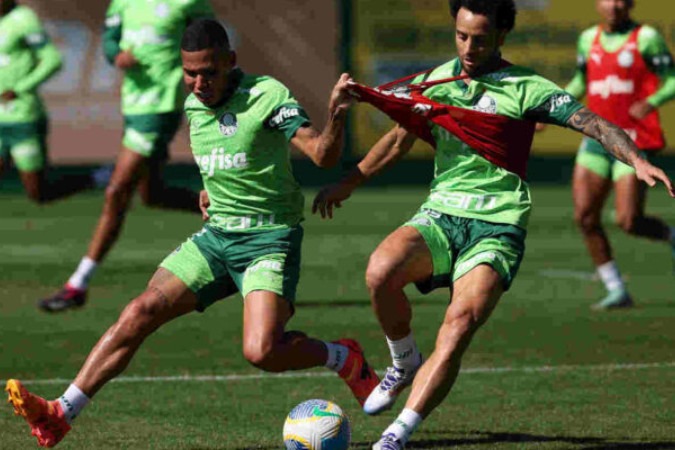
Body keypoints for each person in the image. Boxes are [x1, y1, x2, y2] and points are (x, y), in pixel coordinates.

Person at [312, 1, 674, 449]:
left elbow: (596, 125)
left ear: (502, 36)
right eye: (462, 36)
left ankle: (396, 434)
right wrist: (349, 183)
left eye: (480, 39)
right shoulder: (436, 82)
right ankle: (404, 361)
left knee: (459, 323)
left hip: (497, 225)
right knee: (379, 272)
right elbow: (398, 139)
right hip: (442, 215)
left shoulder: (527, 87)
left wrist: (637, 160)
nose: (468, 47)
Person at [5, 19, 380, 448]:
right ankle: (60, 412)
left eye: (208, 72)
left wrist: (335, 114)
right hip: (217, 238)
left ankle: (342, 356)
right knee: (139, 311)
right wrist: (210, 188)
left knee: (262, 352)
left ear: (230, 62)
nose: (199, 82)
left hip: (268, 241)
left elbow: (322, 155)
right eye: (190, 73)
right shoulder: (193, 105)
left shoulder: (266, 94)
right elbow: (228, 158)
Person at [38, 0, 215, 312]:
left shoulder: (187, 3)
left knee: (117, 191)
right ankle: (228, 212)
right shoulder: (123, 2)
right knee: (152, 194)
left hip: (160, 106)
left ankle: (77, 285)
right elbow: (110, 40)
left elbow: (211, 39)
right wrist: (116, 55)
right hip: (133, 104)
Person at [566, 0, 675, 309]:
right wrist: (550, 106)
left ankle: (670, 234)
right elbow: (580, 82)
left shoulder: (646, 38)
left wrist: (651, 102)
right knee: (585, 216)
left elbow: (673, 80)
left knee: (628, 220)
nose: (613, 5)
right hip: (596, 140)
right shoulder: (588, 39)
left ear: (630, 4)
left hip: (634, 142)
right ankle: (616, 289)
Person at [0, 0, 94, 203]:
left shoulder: (23, 19)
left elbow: (52, 60)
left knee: (38, 194)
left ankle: (94, 177)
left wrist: (19, 88)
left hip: (22, 117)